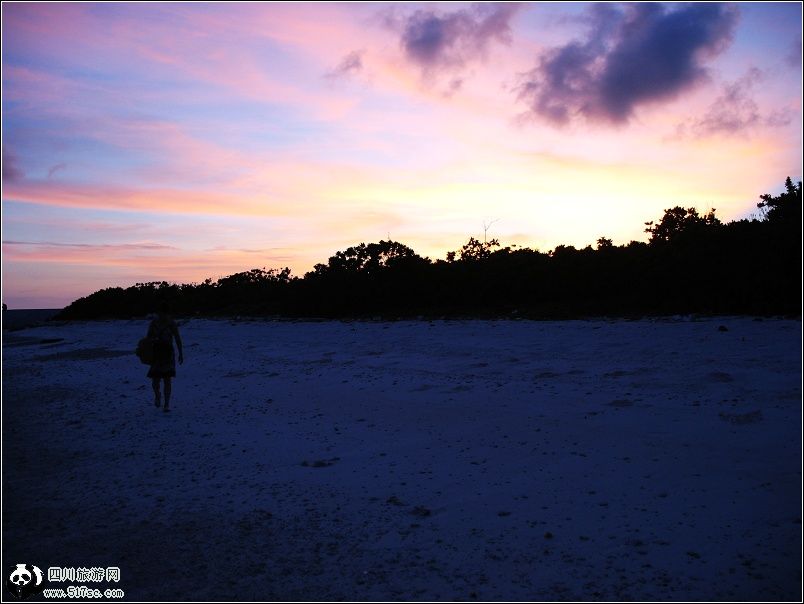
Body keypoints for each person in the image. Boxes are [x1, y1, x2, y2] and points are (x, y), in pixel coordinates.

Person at [146, 301, 183, 412]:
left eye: (165, 313)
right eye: (161, 313)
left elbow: (177, 338)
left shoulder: (171, 323)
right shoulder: (153, 324)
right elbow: (148, 338)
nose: (163, 315)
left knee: (167, 380)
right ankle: (157, 396)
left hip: (168, 354)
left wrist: (181, 353)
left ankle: (166, 404)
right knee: (155, 380)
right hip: (156, 353)